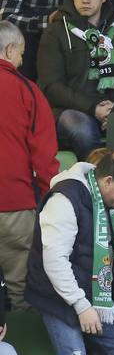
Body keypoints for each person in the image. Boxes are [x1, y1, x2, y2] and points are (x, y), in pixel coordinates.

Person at [25, 151, 114, 355]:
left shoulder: (108, 198)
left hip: (97, 296)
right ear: (108, 180)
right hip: (58, 297)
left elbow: (105, 248)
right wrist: (81, 306)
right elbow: (55, 262)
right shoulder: (64, 200)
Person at [36, 0, 114, 158]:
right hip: (71, 111)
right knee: (81, 127)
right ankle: (98, 178)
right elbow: (50, 87)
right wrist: (93, 108)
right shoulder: (55, 33)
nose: (85, 0)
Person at [0, 20, 56, 304]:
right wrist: (50, 197)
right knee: (17, 289)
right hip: (15, 204)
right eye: (21, 53)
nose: (22, 60)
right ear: (10, 50)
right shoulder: (29, 91)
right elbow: (44, 156)